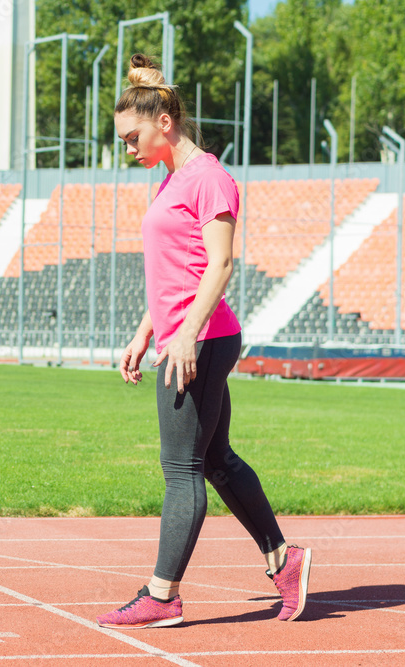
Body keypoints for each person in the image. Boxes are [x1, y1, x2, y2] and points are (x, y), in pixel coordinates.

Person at [95, 54, 312, 629]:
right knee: (215, 460)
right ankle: (284, 560)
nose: (127, 149)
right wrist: (146, 330)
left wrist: (184, 333)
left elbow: (220, 265)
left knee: (182, 468)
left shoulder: (210, 176)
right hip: (186, 336)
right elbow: (177, 269)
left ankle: (162, 596)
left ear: (163, 121)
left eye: (131, 136)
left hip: (204, 338)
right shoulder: (171, 180)